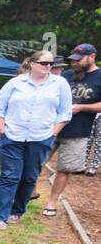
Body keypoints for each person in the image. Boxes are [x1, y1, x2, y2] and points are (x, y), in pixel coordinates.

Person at [0, 50, 72, 229]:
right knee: (10, 176)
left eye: (51, 64)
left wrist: (53, 133)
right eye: (44, 63)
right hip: (13, 137)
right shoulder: (15, 83)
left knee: (29, 177)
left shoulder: (60, 84)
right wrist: (3, 132)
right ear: (32, 64)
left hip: (41, 138)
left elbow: (65, 113)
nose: (48, 67)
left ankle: (17, 210)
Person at [41, 44, 101, 218]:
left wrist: (81, 107)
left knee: (65, 168)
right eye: (72, 60)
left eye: (78, 60)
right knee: (34, 163)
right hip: (50, 128)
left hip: (78, 131)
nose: (74, 63)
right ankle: (28, 194)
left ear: (92, 57)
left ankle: (52, 202)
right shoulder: (65, 76)